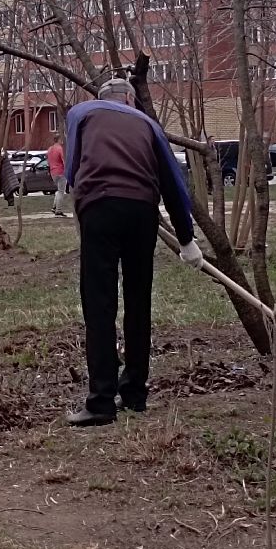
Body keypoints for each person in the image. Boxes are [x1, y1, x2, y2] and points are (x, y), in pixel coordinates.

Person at [64, 78, 203, 427]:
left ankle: (100, 402)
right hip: (142, 210)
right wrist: (186, 239)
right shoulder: (148, 124)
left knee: (100, 304)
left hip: (99, 207)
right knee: (138, 301)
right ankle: (135, 393)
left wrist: (71, 192)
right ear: (130, 99)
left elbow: (74, 158)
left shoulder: (82, 113)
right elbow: (172, 179)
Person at [46, 133, 68, 216]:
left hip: (53, 172)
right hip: (61, 171)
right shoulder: (60, 149)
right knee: (61, 191)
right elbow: (64, 160)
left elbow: (48, 162)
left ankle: (54, 207)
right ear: (59, 139)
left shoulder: (50, 149)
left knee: (58, 190)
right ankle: (58, 210)